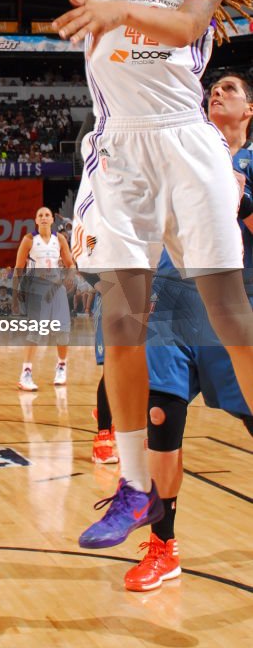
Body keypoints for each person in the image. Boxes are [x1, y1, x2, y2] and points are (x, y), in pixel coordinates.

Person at [4, 0, 253, 550]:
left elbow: (184, 36)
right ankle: (133, 489)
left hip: (184, 145)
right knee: (119, 327)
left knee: (229, 317)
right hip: (118, 156)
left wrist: (114, 9)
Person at [123, 72, 253, 590]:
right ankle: (163, 547)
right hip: (175, 301)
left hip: (232, 307)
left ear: (250, 110)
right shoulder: (184, 150)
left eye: (231, 89)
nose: (217, 93)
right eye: (213, 88)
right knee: (161, 416)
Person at [13, 206, 74, 390]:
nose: (45, 217)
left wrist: (69, 277)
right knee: (35, 333)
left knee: (63, 331)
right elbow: (18, 267)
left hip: (57, 289)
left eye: (47, 215)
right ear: (36, 220)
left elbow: (70, 264)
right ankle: (26, 373)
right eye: (41, 215)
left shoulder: (60, 239)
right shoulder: (29, 240)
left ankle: (61, 366)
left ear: (52, 220)